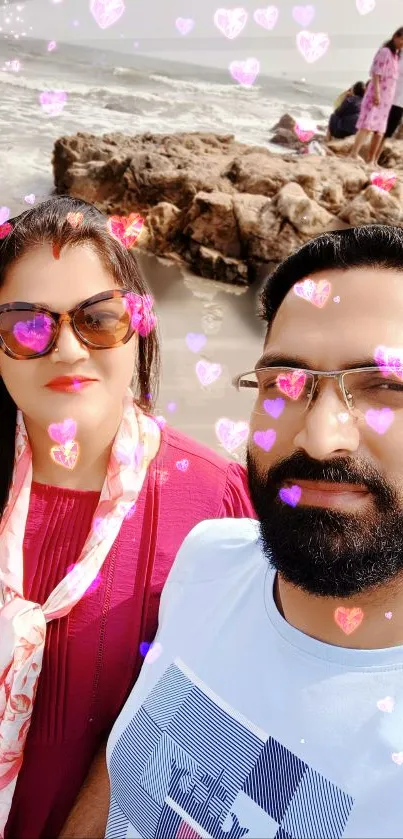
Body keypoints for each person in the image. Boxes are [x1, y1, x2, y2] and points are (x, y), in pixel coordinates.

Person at [106, 224, 403, 839]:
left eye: (388, 387)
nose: (319, 438)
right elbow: (125, 775)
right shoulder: (208, 559)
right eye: (285, 383)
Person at [0, 196, 255, 839]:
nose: (65, 350)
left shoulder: (212, 501)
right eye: (26, 325)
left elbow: (223, 728)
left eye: (99, 319)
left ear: (138, 325)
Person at [351, 27, 403, 164]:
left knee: (379, 129)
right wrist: (377, 93)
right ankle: (354, 153)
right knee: (367, 125)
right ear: (395, 36)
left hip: (388, 97)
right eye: (402, 39)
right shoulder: (385, 51)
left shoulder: (396, 55)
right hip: (378, 93)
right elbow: (376, 73)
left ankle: (368, 158)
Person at [370, 47, 403, 162]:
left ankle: (375, 159)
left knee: (387, 132)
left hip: (399, 102)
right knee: (378, 129)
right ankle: (371, 158)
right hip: (386, 97)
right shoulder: (395, 55)